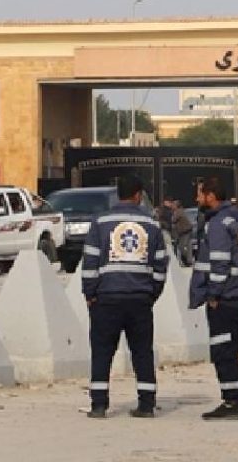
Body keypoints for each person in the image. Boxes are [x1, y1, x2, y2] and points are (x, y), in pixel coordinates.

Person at [81, 174, 168, 419]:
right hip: (140, 298)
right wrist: (153, 293)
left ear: (118, 193)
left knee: (101, 351)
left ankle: (99, 405)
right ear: (139, 195)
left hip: (106, 297)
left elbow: (90, 260)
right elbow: (161, 264)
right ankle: (147, 404)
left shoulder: (101, 221)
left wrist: (90, 292)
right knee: (142, 352)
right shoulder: (151, 224)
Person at [190, 176, 238, 421]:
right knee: (231, 347)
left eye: (200, 194)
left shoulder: (219, 223)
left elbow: (219, 262)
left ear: (211, 195)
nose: (197, 199)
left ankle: (232, 402)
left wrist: (213, 294)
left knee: (222, 349)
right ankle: (236, 396)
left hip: (226, 296)